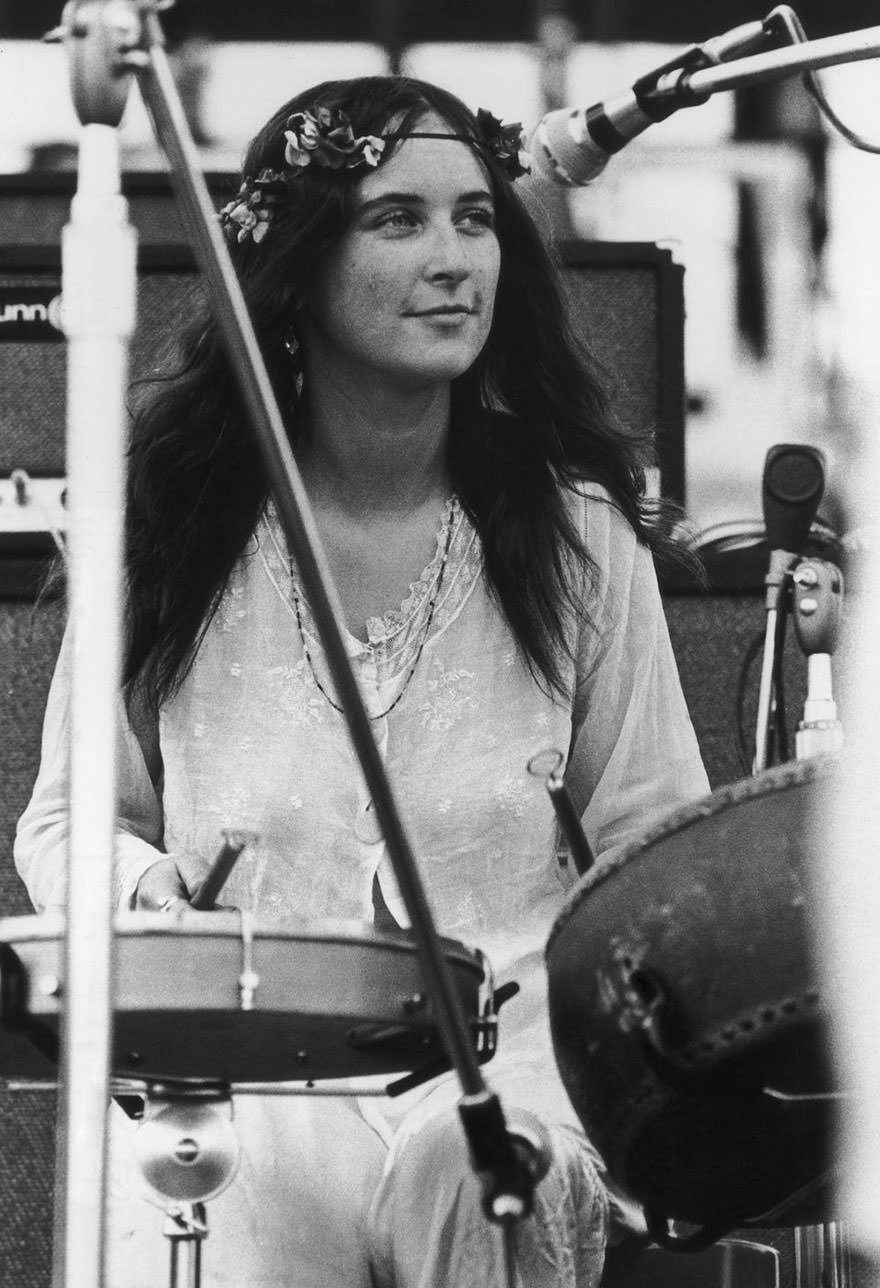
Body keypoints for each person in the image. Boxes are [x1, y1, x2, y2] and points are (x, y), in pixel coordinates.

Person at [15, 75, 709, 1288]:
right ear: (298, 268)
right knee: (210, 1203)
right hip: (249, 1086)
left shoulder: (579, 534)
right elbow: (72, 822)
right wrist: (154, 895)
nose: (455, 260)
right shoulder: (162, 528)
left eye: (476, 218)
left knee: (479, 1164)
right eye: (398, 220)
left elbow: (654, 851)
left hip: (507, 1085)